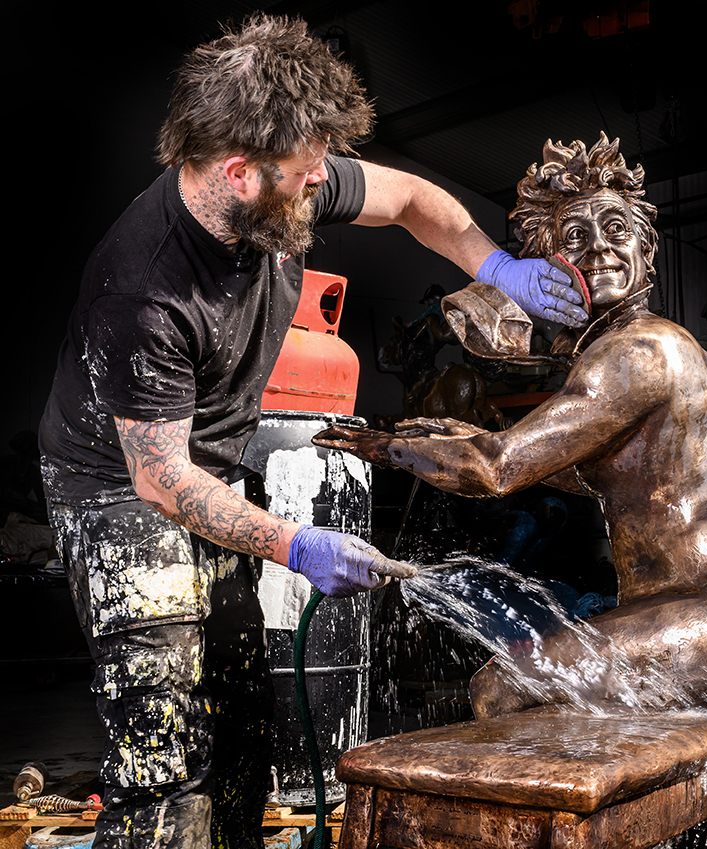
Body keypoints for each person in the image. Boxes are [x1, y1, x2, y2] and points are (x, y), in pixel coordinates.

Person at [38, 15, 588, 849]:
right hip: (118, 489)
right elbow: (161, 481)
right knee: (166, 748)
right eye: (305, 175)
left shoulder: (287, 171)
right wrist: (297, 545)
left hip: (204, 468)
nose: (321, 184)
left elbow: (411, 199)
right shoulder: (144, 289)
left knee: (241, 730)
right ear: (239, 172)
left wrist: (498, 266)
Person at [313, 134, 707, 719]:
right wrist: (460, 436)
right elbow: (610, 481)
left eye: (616, 229)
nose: (599, 250)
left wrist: (385, 445)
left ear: (646, 247)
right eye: (575, 239)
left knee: (500, 689)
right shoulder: (640, 344)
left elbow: (497, 468)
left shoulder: (635, 352)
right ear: (549, 267)